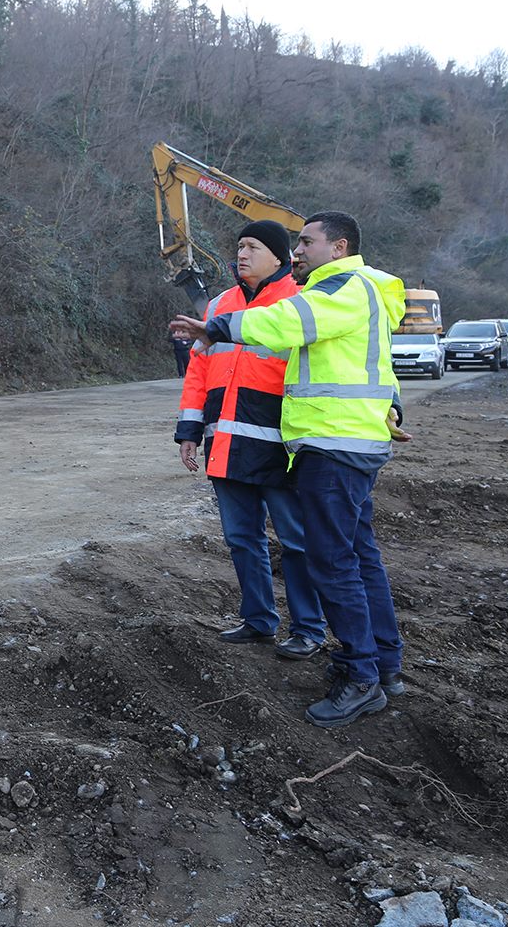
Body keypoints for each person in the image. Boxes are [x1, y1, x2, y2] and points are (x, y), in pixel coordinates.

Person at [170, 211, 407, 728]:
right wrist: (390, 409)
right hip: (335, 442)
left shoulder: (338, 289)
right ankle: (383, 667)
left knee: (332, 563)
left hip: (331, 446)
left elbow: (288, 326)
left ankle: (359, 673)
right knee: (356, 557)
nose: (300, 251)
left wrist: (217, 327)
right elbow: (373, 363)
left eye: (305, 242)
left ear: (338, 246)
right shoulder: (349, 290)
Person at [173, 221, 326, 661]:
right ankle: (258, 620)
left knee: (296, 542)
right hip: (227, 444)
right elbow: (198, 371)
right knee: (242, 539)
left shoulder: (300, 303)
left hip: (282, 447)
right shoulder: (220, 303)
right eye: (239, 246)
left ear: (278, 257)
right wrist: (188, 431)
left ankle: (309, 628)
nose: (241, 254)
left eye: (252, 247)